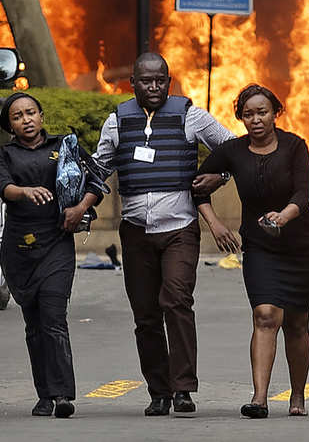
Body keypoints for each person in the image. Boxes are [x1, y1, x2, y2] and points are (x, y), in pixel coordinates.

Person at [92, 52, 233, 416]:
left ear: (168, 82)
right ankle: (159, 391)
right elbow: (100, 168)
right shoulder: (117, 122)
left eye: (160, 80)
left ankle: (184, 389)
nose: (153, 87)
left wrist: (220, 177)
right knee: (146, 315)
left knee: (176, 301)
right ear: (133, 83)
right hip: (136, 232)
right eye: (146, 81)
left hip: (179, 230)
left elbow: (234, 151)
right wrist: (74, 198)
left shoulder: (190, 116)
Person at [195, 84, 309, 418]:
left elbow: (303, 192)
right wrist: (216, 224)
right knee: (265, 315)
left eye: (262, 112)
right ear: (240, 117)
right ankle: (259, 399)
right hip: (260, 246)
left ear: (275, 112)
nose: (255, 120)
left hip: (300, 246)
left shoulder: (295, 146)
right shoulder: (233, 151)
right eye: (248, 114)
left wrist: (284, 216)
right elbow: (196, 187)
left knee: (296, 322)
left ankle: (297, 396)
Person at [0, 92, 103, 419]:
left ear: (41, 116)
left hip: (57, 242)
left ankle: (63, 395)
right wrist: (25, 191)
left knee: (54, 318)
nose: (26, 119)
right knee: (34, 325)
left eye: (31, 113)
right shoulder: (5, 156)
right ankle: (44, 395)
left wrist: (79, 208)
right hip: (20, 249)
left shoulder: (64, 146)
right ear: (10, 125)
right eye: (17, 116)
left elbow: (96, 182)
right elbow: (4, 189)